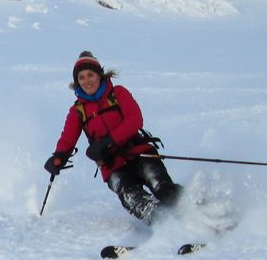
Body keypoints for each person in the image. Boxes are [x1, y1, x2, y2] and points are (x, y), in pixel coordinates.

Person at [45, 51, 182, 223]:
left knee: (163, 188)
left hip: (139, 153)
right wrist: (58, 157)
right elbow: (68, 138)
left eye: (90, 75)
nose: (87, 81)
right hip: (113, 166)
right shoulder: (77, 110)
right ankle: (166, 225)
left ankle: (195, 208)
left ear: (100, 75)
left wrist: (107, 141)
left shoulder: (118, 93)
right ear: (77, 82)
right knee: (134, 199)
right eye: (81, 77)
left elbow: (135, 120)